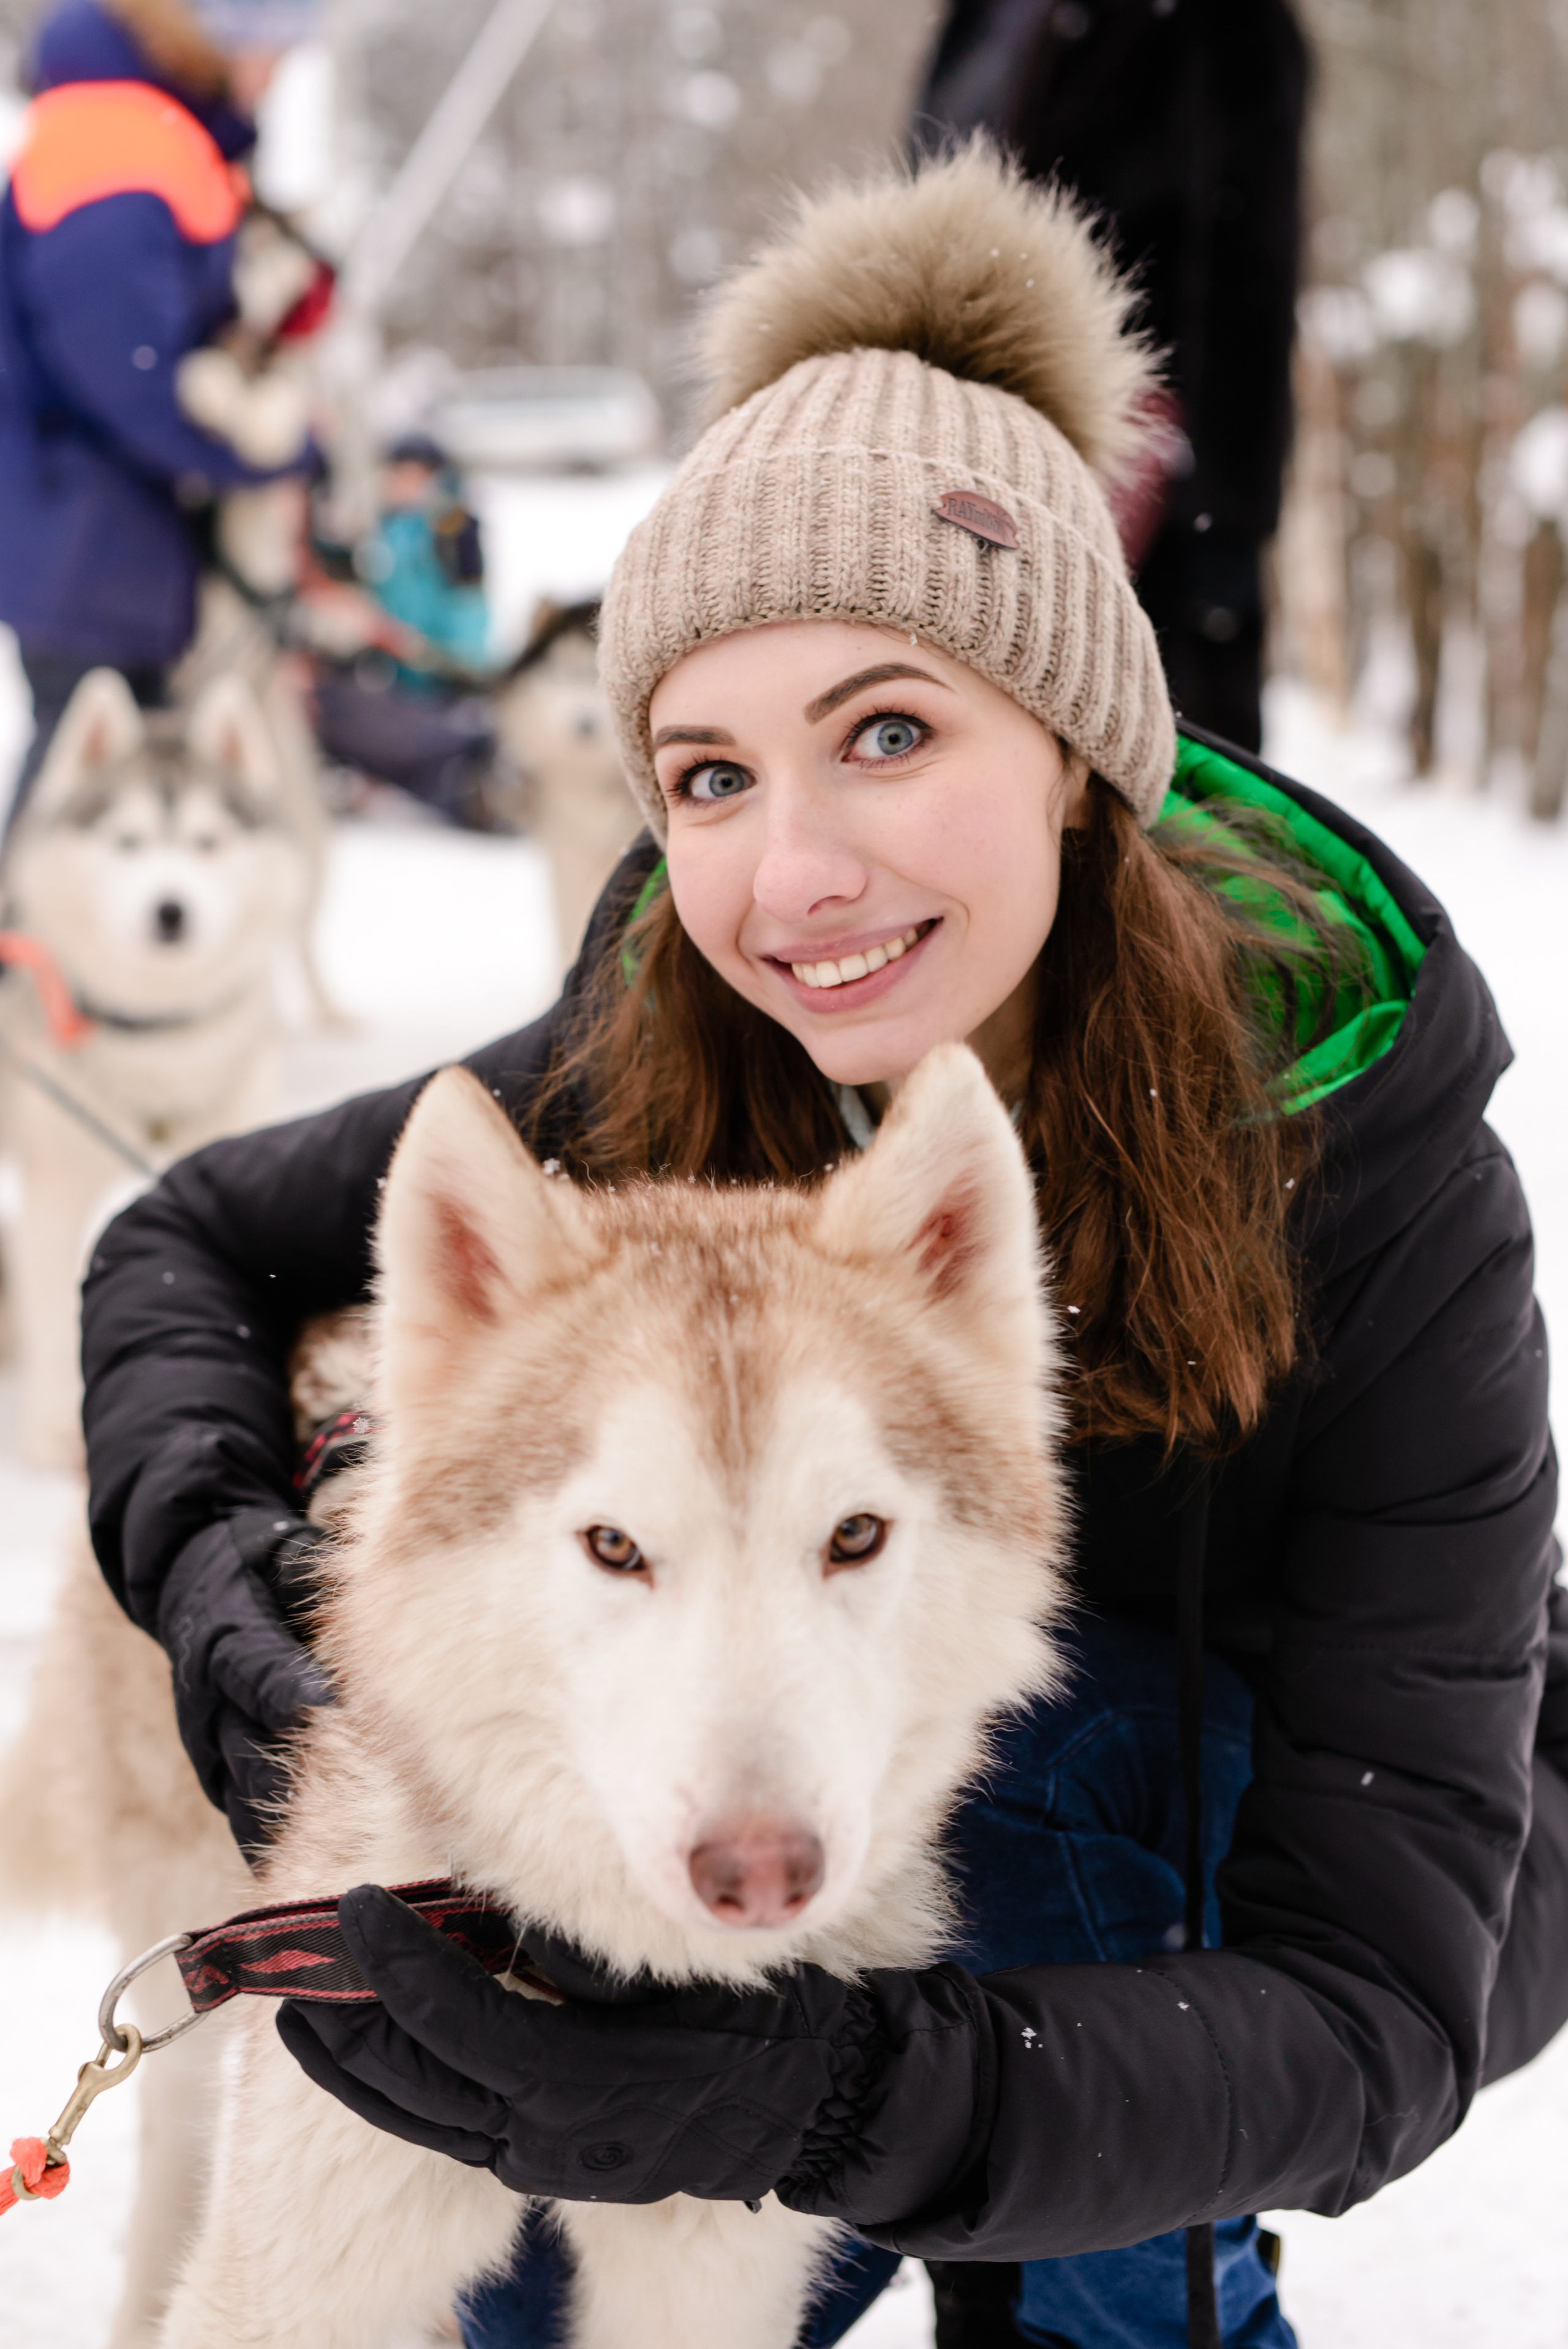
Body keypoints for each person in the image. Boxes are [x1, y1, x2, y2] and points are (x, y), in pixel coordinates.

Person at [79, 147, 1566, 2349]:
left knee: (1072, 1777)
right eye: (705, 773)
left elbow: (1374, 1996)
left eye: (886, 730)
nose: (793, 877)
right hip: (771, 1840)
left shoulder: (1373, 1169)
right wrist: (232, 1605)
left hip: (1258, 1914)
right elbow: (185, 1239)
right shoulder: (681, 1023)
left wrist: (840, 2086)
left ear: (1071, 750)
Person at [913, 0, 1309, 754]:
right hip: (967, 466)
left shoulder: (1222, 22)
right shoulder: (979, 20)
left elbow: (1254, 263)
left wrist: (1216, 506)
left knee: (1175, 791)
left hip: (1152, 489)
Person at [0, 0, 317, 830]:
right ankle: (26, 949)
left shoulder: (144, 127)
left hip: (98, 529)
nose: (277, 74)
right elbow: (123, 368)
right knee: (81, 788)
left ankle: (58, 952)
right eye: (267, 48)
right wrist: (267, 455)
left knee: (106, 790)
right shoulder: (118, 140)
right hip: (84, 531)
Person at [309, 433, 507, 829]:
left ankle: (474, 782)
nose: (404, 484)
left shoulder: (453, 527)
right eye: (397, 474)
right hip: (399, 676)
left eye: (416, 475)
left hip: (446, 679)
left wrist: (448, 662)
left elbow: (469, 608)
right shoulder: (389, 525)